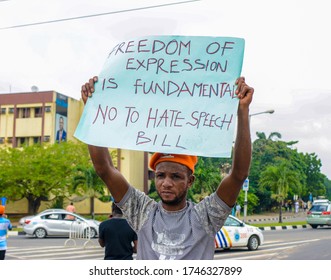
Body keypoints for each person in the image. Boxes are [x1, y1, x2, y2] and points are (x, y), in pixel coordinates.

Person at [81, 76, 253, 260]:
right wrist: (91, 109)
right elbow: (105, 169)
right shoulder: (142, 212)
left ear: (190, 181)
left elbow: (238, 175)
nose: (166, 183)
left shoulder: (206, 216)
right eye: (160, 175)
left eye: (176, 177)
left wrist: (243, 111)